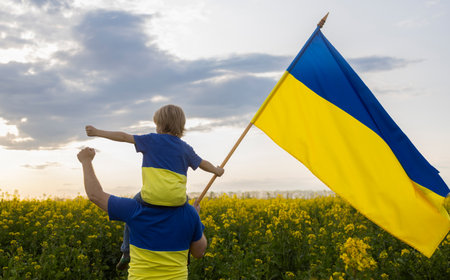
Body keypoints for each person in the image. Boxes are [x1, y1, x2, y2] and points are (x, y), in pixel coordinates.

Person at [85, 104, 224, 269]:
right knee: (189, 216)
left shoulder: (151, 140)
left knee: (132, 209)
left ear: (160, 125)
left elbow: (123, 137)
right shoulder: (186, 148)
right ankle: (184, 252)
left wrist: (98, 132)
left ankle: (127, 251)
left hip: (151, 198)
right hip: (177, 201)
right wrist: (217, 170)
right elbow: (203, 164)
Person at [77, 147, 207, 279]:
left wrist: (86, 161)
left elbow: (95, 195)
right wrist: (196, 217)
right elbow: (199, 252)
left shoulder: (134, 209)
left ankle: (125, 252)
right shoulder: (189, 213)